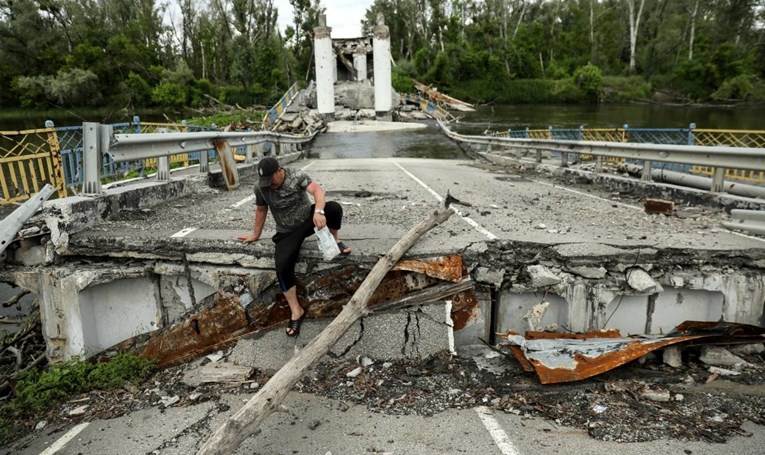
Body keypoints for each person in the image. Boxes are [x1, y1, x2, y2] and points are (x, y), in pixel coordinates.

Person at [238, 157, 351, 337]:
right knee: (282, 266)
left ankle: (335, 241)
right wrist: (255, 235)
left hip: (307, 221)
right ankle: (296, 310)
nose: (269, 185)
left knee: (334, 208)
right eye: (265, 181)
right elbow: (261, 210)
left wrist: (319, 211)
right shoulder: (260, 188)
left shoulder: (295, 176)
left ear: (279, 170)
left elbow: (318, 190)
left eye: (271, 179)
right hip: (287, 232)